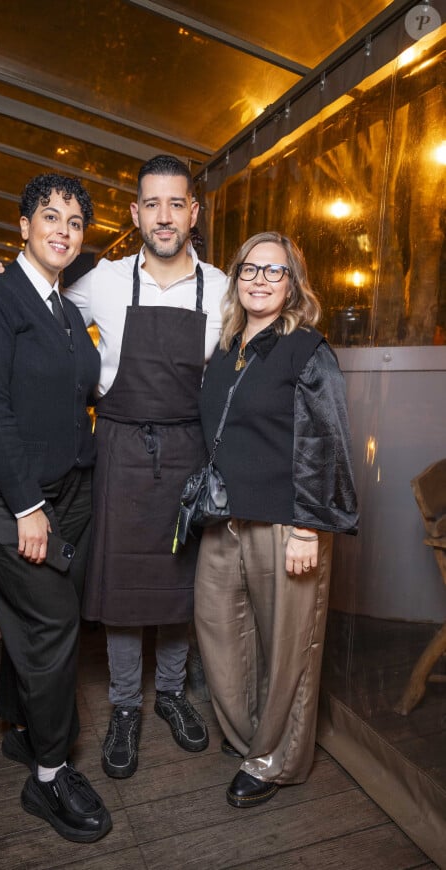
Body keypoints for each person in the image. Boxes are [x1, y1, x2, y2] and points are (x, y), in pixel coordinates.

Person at [0, 155, 227, 780]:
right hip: (117, 452)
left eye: (176, 204)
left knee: (176, 581)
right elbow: (39, 295)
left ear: (192, 213)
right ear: (136, 214)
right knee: (120, 588)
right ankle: (124, 708)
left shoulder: (223, 289)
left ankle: (168, 694)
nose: (164, 217)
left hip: (188, 452)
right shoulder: (102, 280)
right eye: (152, 204)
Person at [0, 173, 111, 843]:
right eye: (50, 215)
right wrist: (26, 505)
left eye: (75, 221)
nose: (63, 228)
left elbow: (80, 400)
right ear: (22, 225)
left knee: (36, 618)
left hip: (69, 491)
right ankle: (47, 778)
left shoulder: (69, 314)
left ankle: (19, 727)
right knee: (52, 622)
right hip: (8, 495)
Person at [194, 231, 358, 809]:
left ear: (293, 284)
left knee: (290, 646)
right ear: (236, 278)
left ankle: (275, 760)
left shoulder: (307, 349)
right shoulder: (228, 344)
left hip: (288, 525)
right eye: (250, 270)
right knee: (221, 636)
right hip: (224, 520)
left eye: (275, 271)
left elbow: (326, 441)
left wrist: (309, 528)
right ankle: (246, 739)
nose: (260, 280)